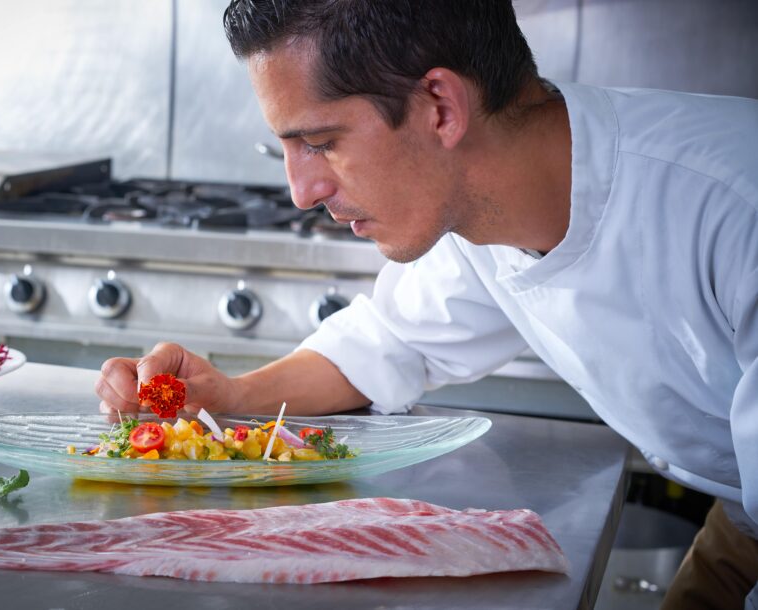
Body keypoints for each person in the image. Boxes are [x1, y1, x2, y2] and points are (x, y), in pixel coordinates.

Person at [95, 1, 758, 607]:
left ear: (439, 106)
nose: (301, 191)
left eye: (319, 142)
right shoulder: (477, 208)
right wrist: (227, 395)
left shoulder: (735, 206)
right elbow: (390, 341)